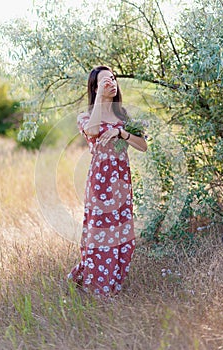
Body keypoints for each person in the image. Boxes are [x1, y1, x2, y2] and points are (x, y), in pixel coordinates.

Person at [67, 65, 147, 298]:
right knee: (100, 235)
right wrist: (100, 99)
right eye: (104, 81)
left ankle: (113, 285)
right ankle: (97, 290)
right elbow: (92, 131)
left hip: (122, 183)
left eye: (112, 79)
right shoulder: (86, 116)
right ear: (94, 87)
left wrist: (122, 133)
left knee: (123, 237)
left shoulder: (123, 117)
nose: (111, 83)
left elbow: (142, 146)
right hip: (100, 185)